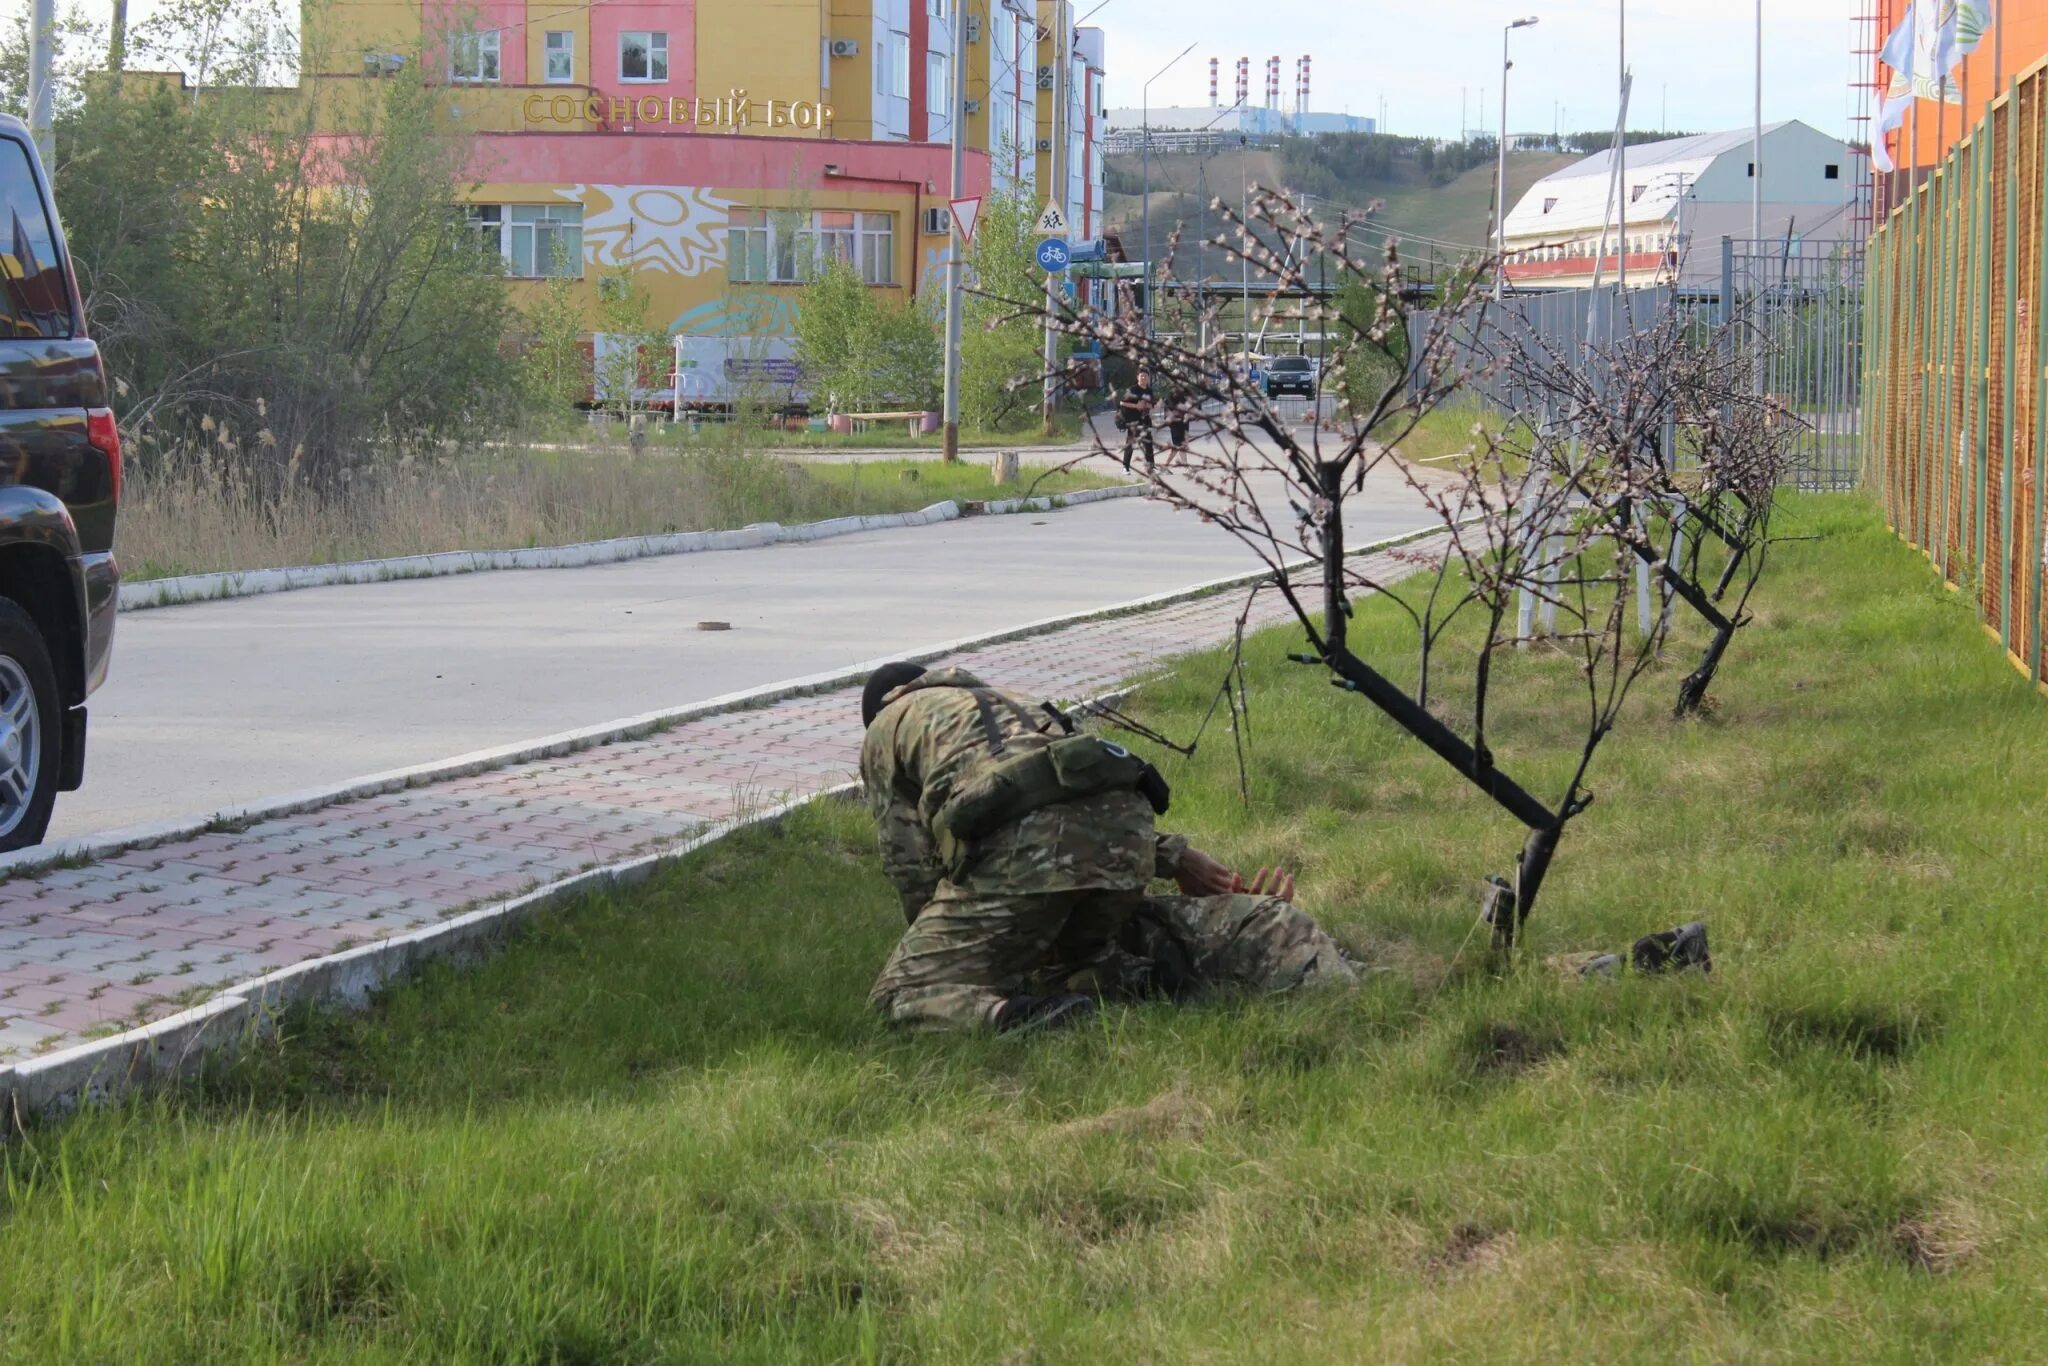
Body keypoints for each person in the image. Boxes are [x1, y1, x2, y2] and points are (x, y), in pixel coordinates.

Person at [859, 661, 1360, 1034]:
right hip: (1125, 837)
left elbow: (910, 863)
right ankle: (1140, 975)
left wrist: (940, 943)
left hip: (1025, 852)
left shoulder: (887, 726)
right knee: (1068, 953)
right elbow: (1076, 797)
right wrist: (1175, 856)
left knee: (896, 997)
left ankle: (1020, 1018)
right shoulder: (1011, 702)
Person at [1117, 370, 1156, 473]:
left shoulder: (1149, 390)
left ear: (1148, 378)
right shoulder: (1132, 390)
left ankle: (1150, 466)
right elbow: (1122, 403)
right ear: (1137, 377)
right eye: (1141, 376)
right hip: (1133, 420)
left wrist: (1149, 405)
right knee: (1130, 443)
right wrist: (1136, 406)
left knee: (1148, 443)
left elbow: (1152, 404)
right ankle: (1125, 467)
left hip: (1146, 419)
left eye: (1145, 376)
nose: (1143, 378)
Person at [1164, 384, 1193, 457]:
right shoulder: (1169, 397)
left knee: (1181, 445)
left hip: (1183, 423)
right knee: (1178, 445)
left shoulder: (1183, 395)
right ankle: (1168, 464)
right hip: (1174, 423)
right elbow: (1172, 409)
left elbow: (1189, 406)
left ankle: (1184, 464)